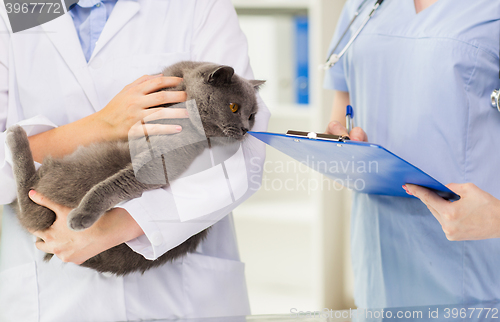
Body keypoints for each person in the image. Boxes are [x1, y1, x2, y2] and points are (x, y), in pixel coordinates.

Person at [0, 1, 269, 321]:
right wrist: (101, 125)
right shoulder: (17, 10)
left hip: (175, 293)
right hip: (50, 293)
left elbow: (241, 145)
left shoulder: (198, 6)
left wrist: (122, 224)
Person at [325, 0, 500, 309]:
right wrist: (340, 147)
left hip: (475, 266)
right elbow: (343, 109)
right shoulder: (363, 4)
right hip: (379, 258)